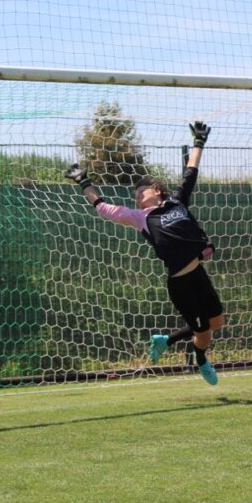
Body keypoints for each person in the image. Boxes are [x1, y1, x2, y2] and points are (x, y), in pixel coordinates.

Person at [65, 121, 225, 385]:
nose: (137, 196)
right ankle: (201, 359)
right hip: (181, 284)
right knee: (204, 334)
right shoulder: (140, 217)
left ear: (157, 190)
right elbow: (103, 208)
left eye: (142, 191)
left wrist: (199, 142)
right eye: (135, 194)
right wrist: (84, 182)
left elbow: (191, 172)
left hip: (198, 273)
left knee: (217, 322)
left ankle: (166, 340)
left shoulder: (177, 202)